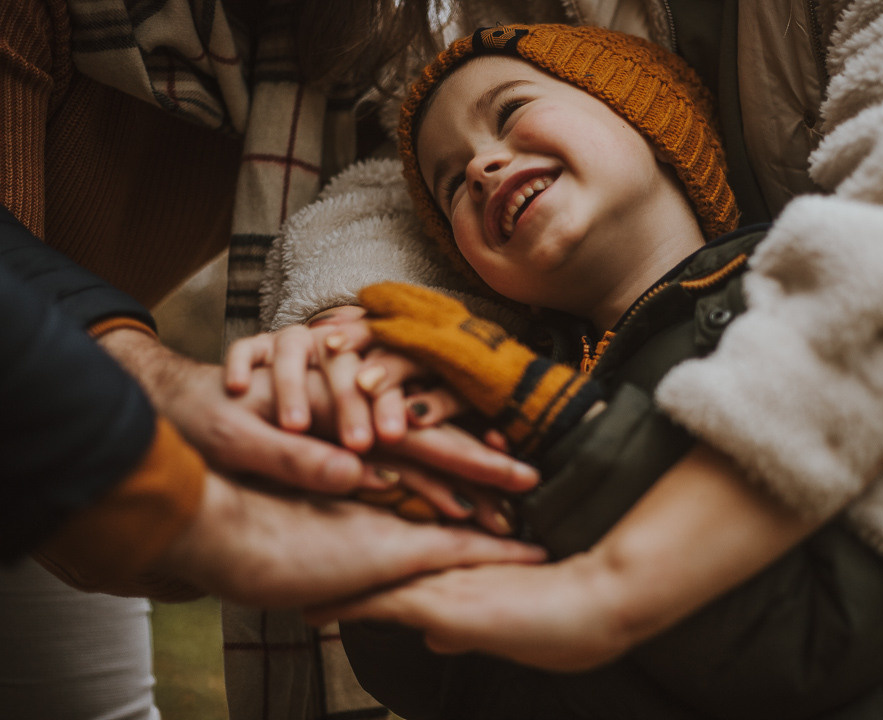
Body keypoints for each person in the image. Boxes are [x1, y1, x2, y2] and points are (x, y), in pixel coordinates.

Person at [238, 2, 883, 718]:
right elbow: (443, 681)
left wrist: (568, 435)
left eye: (509, 111)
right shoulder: (516, 376)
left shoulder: (797, 316)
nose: (483, 165)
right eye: (453, 182)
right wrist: (406, 517)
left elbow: (808, 638)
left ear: (651, 118)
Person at [0, 1, 547, 717]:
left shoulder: (355, 51)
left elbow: (381, 192)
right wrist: (148, 389)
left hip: (46, 404)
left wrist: (348, 316)